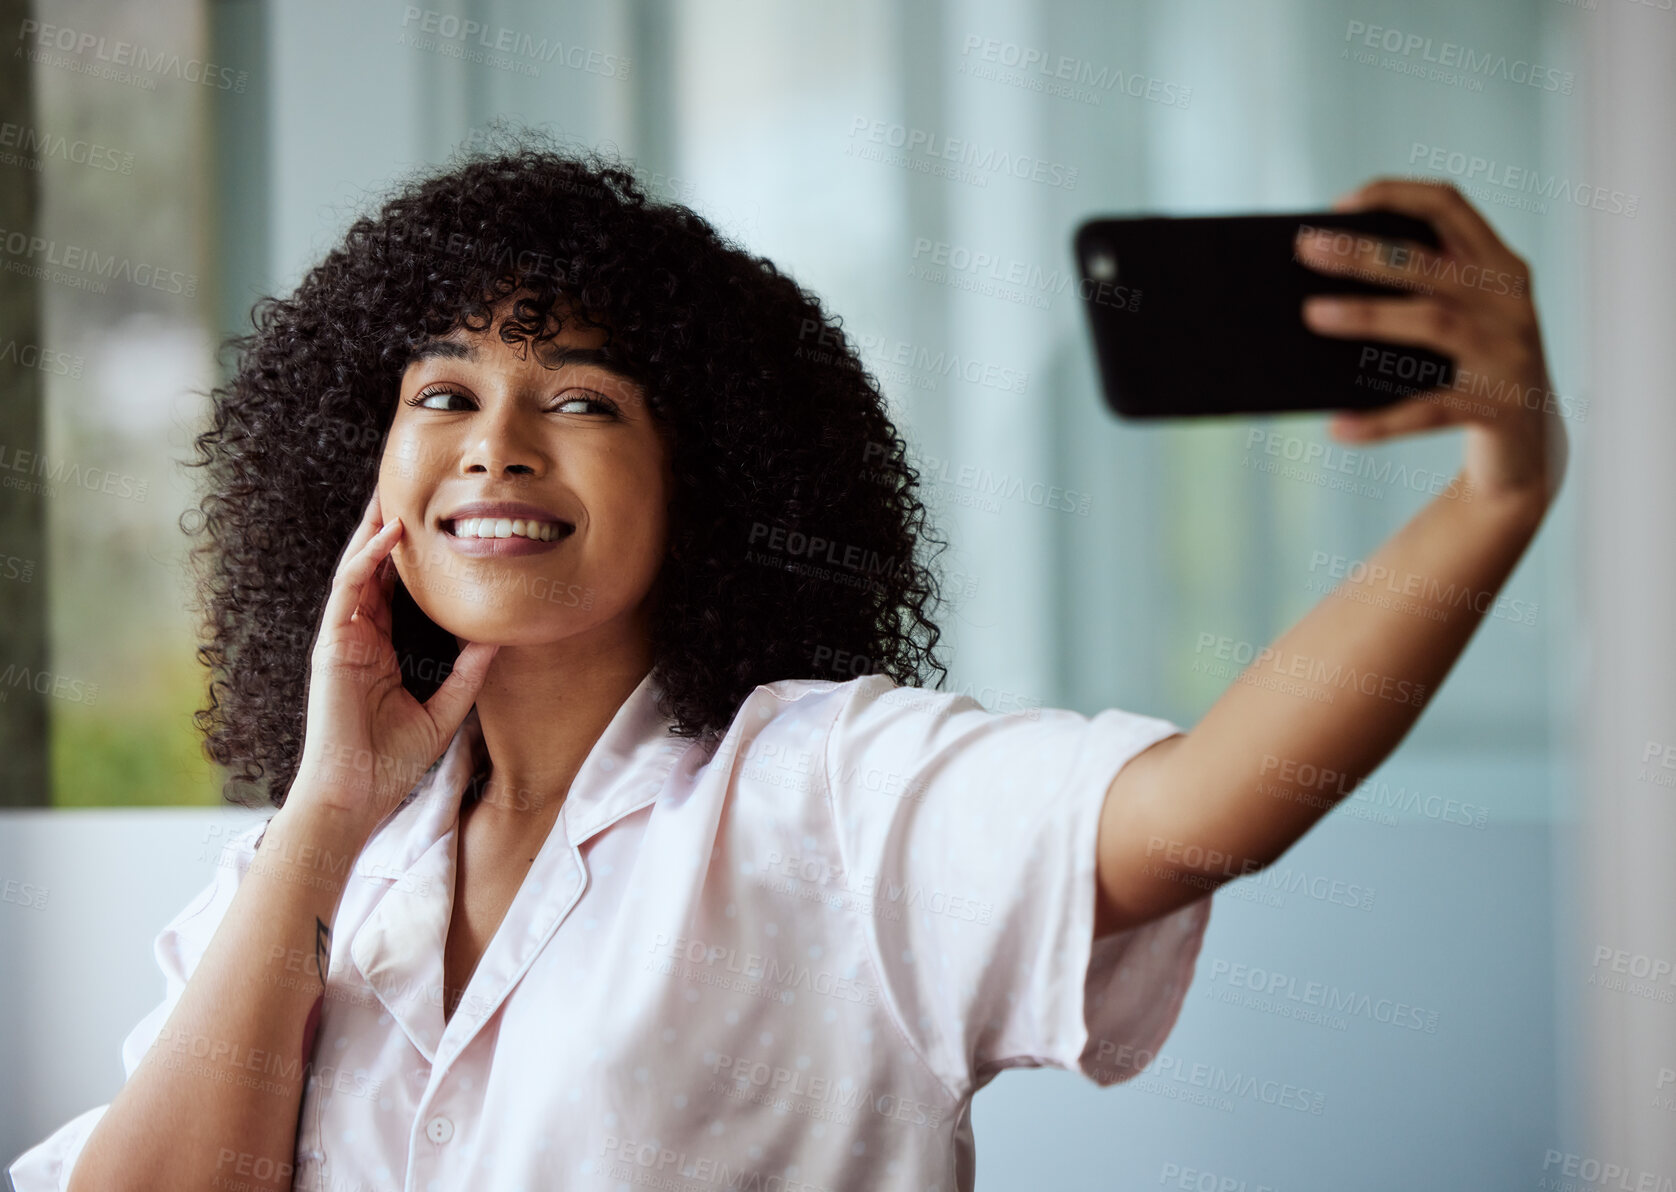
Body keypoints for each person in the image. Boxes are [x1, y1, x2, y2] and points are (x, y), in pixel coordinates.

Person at [9, 129, 1564, 1192]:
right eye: (443, 395)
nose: (495, 446)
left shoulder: (830, 794)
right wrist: (329, 816)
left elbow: (1211, 806)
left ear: (709, 484)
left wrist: (1500, 494)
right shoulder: (306, 877)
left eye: (584, 401)